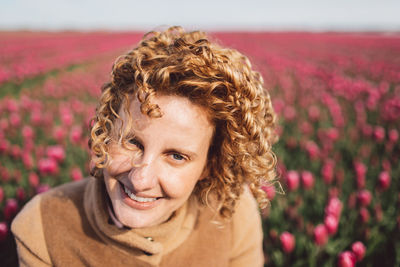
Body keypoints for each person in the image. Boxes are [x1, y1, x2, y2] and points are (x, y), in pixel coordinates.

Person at [11, 26, 278, 267]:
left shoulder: (233, 217)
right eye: (131, 142)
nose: (140, 179)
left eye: (176, 156)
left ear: (210, 164)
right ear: (105, 130)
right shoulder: (43, 226)